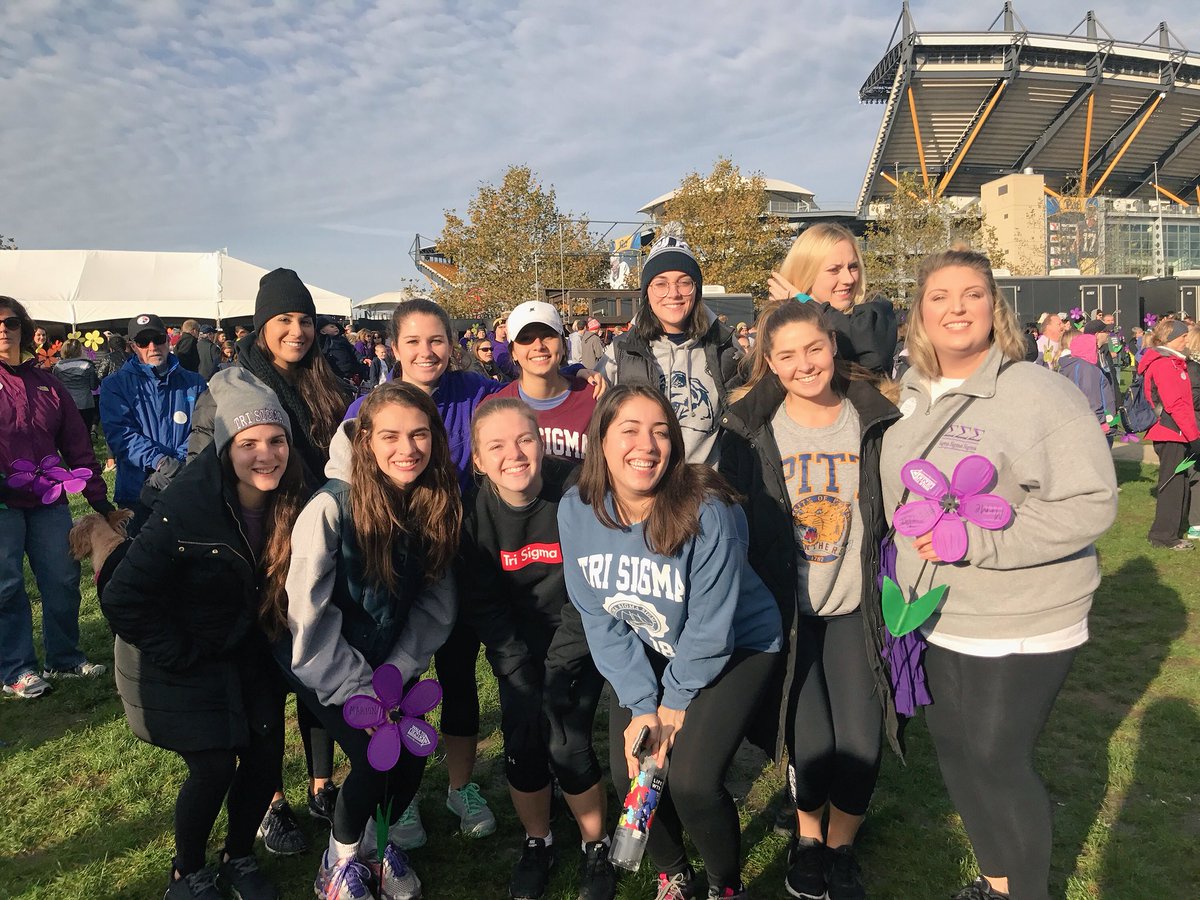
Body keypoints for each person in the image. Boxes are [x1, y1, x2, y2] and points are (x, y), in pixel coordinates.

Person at [880, 249, 1117, 899]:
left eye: (972, 294)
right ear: (919, 316)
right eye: (939, 296)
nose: (956, 307)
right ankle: (997, 884)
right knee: (956, 753)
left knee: (998, 760)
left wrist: (979, 542)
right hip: (939, 611)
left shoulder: (1036, 391)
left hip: (1021, 613)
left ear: (995, 307)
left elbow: (1092, 503)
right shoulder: (914, 395)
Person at [558, 385, 783, 900]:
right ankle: (674, 873)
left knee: (692, 781)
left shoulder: (707, 513)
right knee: (632, 769)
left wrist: (674, 703)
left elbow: (711, 625)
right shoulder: (577, 508)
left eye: (661, 432)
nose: (648, 445)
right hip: (652, 644)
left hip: (738, 644)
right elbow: (597, 612)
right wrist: (641, 704)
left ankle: (726, 886)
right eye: (630, 430)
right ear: (601, 441)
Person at [101, 368, 311, 900]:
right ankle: (186, 869)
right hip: (180, 650)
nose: (266, 454)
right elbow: (124, 595)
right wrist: (181, 650)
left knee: (264, 757)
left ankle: (239, 854)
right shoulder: (186, 505)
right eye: (248, 444)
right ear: (224, 448)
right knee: (214, 763)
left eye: (276, 440)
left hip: (245, 644)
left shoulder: (294, 497)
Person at [720, 300, 902, 900]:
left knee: (862, 743)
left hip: (854, 608)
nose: (805, 365)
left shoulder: (876, 414)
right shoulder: (748, 430)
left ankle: (842, 847)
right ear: (770, 363)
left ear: (833, 346)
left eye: (815, 349)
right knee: (814, 744)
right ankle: (807, 839)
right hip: (789, 614)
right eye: (788, 356)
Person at [189, 268, 349, 855]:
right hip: (260, 553)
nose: (297, 331)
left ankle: (320, 783)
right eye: (283, 319)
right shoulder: (235, 385)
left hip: (318, 548)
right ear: (261, 326)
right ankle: (269, 802)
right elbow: (206, 464)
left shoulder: (324, 379)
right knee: (263, 686)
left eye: (304, 319)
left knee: (316, 662)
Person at [282, 382, 459, 900]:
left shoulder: (432, 502)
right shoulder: (331, 507)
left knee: (414, 752)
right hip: (324, 662)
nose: (407, 449)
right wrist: (359, 687)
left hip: (390, 666)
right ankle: (338, 862)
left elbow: (435, 604)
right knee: (373, 755)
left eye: (420, 434)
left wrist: (400, 668)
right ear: (365, 442)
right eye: (391, 436)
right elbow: (307, 612)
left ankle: (378, 849)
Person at [459, 400, 615, 900]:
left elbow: (589, 587)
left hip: (579, 632)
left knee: (567, 739)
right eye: (497, 446)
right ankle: (538, 839)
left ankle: (596, 843)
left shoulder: (573, 492)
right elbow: (482, 600)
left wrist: (557, 666)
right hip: (517, 643)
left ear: (542, 442)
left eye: (524, 440)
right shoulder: (471, 513)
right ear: (479, 460)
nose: (514, 454)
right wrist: (515, 663)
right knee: (524, 738)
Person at [1, 298, 114, 699]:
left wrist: (101, 503)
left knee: (63, 578)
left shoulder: (47, 382)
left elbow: (78, 443)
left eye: (11, 322)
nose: (3, 329)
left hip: (48, 498)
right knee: (7, 584)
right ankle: (16, 669)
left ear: (24, 328)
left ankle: (64, 658)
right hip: (2, 504)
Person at [598, 233, 743, 465]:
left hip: (705, 491)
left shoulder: (725, 348)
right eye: (661, 284)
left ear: (696, 289)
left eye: (684, 282)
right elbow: (592, 413)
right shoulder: (621, 351)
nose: (673, 293)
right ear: (647, 291)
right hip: (644, 487)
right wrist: (573, 373)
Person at [99, 313, 207, 536]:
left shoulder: (194, 382)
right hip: (137, 491)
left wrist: (178, 465)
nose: (152, 346)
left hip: (184, 485)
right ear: (132, 347)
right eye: (143, 342)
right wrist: (158, 462)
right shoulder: (114, 385)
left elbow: (203, 429)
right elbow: (121, 434)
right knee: (141, 564)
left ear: (168, 341)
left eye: (157, 339)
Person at [767, 223, 897, 375]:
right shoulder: (774, 325)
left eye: (853, 267)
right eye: (834, 270)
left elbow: (868, 349)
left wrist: (807, 304)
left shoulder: (876, 313)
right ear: (806, 273)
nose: (848, 279)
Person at [484, 302, 598, 463]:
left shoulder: (595, 398)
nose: (538, 346)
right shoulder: (493, 409)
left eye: (547, 335)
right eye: (526, 339)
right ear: (513, 352)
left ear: (564, 345)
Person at [1138, 318, 1199, 551]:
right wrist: (1194, 437)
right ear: (1171, 338)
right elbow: (1176, 405)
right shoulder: (1165, 364)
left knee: (1180, 482)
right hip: (1172, 432)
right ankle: (1163, 536)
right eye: (1183, 336)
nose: (1186, 340)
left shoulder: (1172, 362)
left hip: (1177, 432)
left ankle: (1171, 532)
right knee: (1172, 485)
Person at [1059, 331, 1117, 445]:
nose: (1096, 349)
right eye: (1094, 346)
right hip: (1095, 424)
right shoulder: (1087, 369)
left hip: (1075, 421)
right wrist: (1102, 423)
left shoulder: (1069, 365)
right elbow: (1091, 397)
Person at [52, 338, 100, 435]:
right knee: (85, 434)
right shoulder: (88, 365)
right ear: (79, 351)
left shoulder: (57, 367)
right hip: (85, 403)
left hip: (66, 403)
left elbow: (55, 386)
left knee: (68, 435)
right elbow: (94, 386)